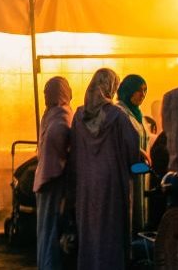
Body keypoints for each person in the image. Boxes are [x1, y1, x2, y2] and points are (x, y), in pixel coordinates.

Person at [68, 68, 140, 269]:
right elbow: (132, 148)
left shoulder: (79, 116)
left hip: (86, 184)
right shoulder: (117, 116)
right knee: (111, 229)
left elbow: (73, 151)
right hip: (112, 183)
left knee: (89, 229)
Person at [34, 77, 73, 270]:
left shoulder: (53, 115)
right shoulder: (60, 116)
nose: (45, 97)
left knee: (47, 228)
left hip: (48, 178)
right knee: (50, 229)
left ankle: (47, 264)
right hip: (53, 179)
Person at [116, 74, 149, 235]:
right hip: (127, 171)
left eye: (144, 91)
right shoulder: (120, 112)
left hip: (139, 170)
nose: (142, 95)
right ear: (128, 90)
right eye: (138, 90)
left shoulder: (136, 113)